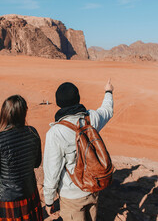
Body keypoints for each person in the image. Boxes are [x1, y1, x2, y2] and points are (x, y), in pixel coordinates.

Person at [43, 79, 114, 221]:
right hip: (93, 188)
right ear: (78, 98)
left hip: (71, 196)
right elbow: (107, 111)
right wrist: (108, 92)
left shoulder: (56, 132)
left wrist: (49, 200)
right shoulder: (91, 118)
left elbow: (52, 170)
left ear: (59, 103)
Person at [0, 95, 43, 221]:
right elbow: (36, 163)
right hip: (29, 191)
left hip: (7, 197)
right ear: (24, 112)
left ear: (4, 113)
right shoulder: (32, 132)